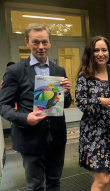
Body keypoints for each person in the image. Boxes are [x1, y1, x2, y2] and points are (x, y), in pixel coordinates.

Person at [0, 23, 72, 191]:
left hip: (56, 136)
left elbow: (65, 104)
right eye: (36, 42)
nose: (41, 47)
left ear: (50, 42)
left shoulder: (58, 69)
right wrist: (25, 118)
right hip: (30, 138)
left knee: (55, 182)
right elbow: (3, 106)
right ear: (27, 42)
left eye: (44, 42)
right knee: (35, 186)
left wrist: (67, 93)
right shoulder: (15, 71)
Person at [75, 36, 110, 191]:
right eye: (96, 50)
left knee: (109, 174)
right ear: (90, 53)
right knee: (102, 179)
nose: (100, 54)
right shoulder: (85, 75)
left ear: (109, 52)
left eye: (104, 50)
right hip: (93, 132)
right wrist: (100, 101)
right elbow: (79, 101)